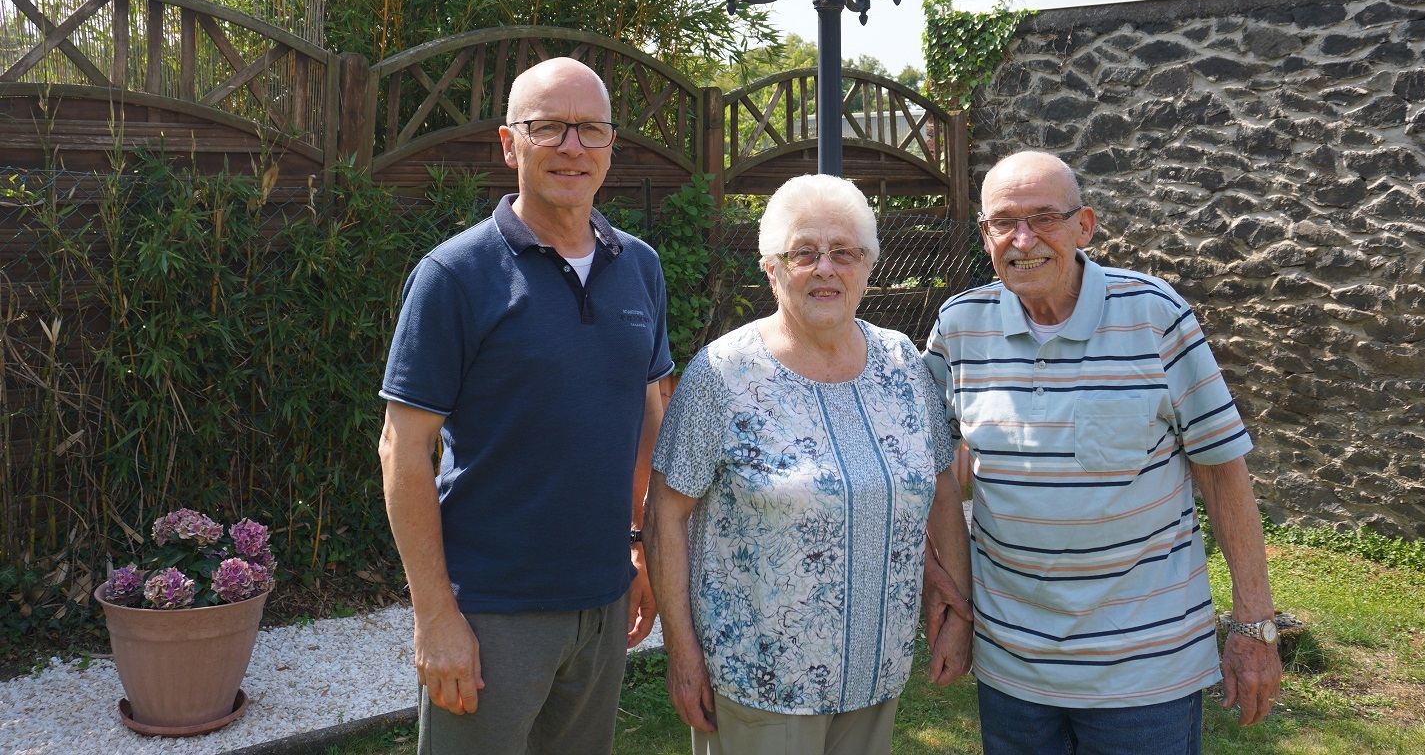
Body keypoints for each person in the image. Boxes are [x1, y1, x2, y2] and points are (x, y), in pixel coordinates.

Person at [924, 150, 1281, 755]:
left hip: (1145, 673)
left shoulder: (1154, 316)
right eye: (1003, 222)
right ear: (983, 235)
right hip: (1013, 668)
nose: (1023, 239)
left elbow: (1222, 473)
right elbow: (932, 467)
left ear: (1084, 225)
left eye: (1044, 218)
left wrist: (1253, 625)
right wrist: (954, 598)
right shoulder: (961, 328)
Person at [378, 56, 672, 754]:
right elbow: (403, 448)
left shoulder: (640, 267)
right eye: (549, 128)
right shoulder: (454, 274)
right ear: (509, 144)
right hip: (490, 612)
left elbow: (648, 414)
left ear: (610, 147)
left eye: (590, 130)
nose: (572, 146)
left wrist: (642, 549)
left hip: (603, 601)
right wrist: (435, 616)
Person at [645, 174, 973, 755]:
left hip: (876, 670)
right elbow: (666, 515)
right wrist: (684, 654)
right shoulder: (722, 376)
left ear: (868, 266)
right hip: (760, 683)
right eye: (804, 253)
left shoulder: (901, 363)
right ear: (772, 269)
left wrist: (957, 611)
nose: (826, 268)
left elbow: (941, 489)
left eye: (844, 252)